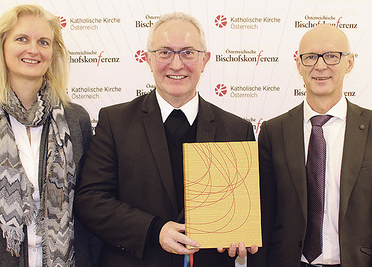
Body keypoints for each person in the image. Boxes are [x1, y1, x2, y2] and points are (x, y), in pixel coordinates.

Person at [75, 12, 258, 267]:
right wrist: (154, 230)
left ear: (204, 60)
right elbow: (90, 200)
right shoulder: (115, 122)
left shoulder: (237, 129)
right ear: (148, 59)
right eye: (164, 52)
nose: (176, 64)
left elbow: (246, 211)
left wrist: (241, 236)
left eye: (187, 52)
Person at [0, 4, 99, 266]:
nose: (33, 50)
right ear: (2, 46)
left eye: (43, 42)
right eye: (22, 39)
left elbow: (90, 200)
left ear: (53, 53)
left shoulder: (76, 119)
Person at [248, 24, 372, 267]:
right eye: (310, 57)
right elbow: (263, 215)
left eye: (332, 56)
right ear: (299, 65)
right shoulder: (274, 132)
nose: (320, 65)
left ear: (349, 63)